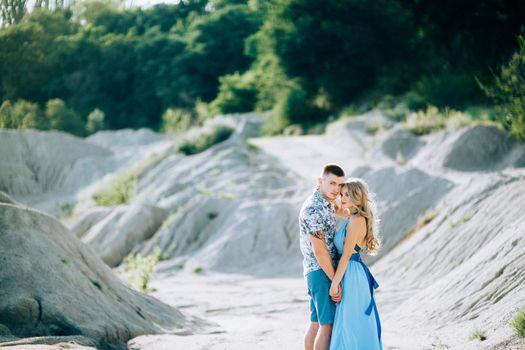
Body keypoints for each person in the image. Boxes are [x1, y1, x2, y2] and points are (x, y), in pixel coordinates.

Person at [329, 178, 382, 350]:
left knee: (350, 324)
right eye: (342, 194)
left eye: (347, 195)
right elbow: (336, 207)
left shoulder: (357, 220)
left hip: (351, 273)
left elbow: (346, 256)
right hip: (349, 272)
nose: (342, 198)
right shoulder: (352, 216)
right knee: (348, 323)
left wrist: (334, 284)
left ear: (356, 197)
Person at [299, 164, 346, 350]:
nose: (337, 189)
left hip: (316, 271)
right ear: (320, 182)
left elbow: (344, 211)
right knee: (328, 325)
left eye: (340, 185)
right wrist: (335, 280)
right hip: (321, 271)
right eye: (332, 183)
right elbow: (319, 250)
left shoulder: (326, 203)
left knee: (317, 323)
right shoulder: (313, 209)